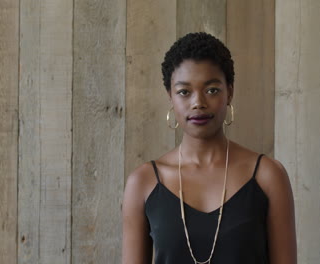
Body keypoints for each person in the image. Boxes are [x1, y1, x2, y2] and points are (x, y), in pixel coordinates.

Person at [122, 32, 297, 264]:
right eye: (184, 92)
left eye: (212, 89)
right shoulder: (144, 182)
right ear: (170, 97)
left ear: (229, 92)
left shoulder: (268, 175)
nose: (198, 102)